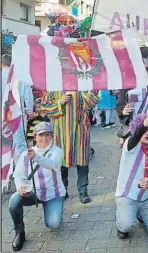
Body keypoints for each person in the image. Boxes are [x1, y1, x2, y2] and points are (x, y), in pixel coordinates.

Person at [9, 122, 66, 251]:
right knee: (13, 200)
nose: (44, 138)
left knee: (53, 224)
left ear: (52, 136)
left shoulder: (57, 151)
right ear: (35, 137)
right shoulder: (26, 153)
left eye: (47, 135)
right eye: (41, 135)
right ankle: (20, 233)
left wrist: (36, 157)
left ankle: (55, 208)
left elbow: (51, 164)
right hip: (33, 193)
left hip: (53, 193)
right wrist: (20, 187)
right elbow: (18, 175)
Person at [115, 112, 148, 240]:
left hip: (147, 198)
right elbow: (136, 135)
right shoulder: (131, 145)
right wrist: (144, 124)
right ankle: (121, 225)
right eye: (145, 130)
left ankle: (141, 214)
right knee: (126, 226)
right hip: (127, 196)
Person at [40, 90, 99, 203]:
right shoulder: (53, 87)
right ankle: (63, 191)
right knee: (61, 162)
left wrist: (94, 91)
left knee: (82, 162)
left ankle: (83, 192)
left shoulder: (81, 85)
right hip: (61, 132)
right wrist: (59, 102)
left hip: (80, 130)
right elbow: (45, 107)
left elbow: (89, 105)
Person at [2, 54, 34, 163]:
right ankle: (18, 170)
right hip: (17, 112)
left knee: (4, 141)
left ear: (1, 64)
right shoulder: (20, 76)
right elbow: (27, 95)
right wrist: (30, 111)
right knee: (19, 141)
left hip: (3, 113)